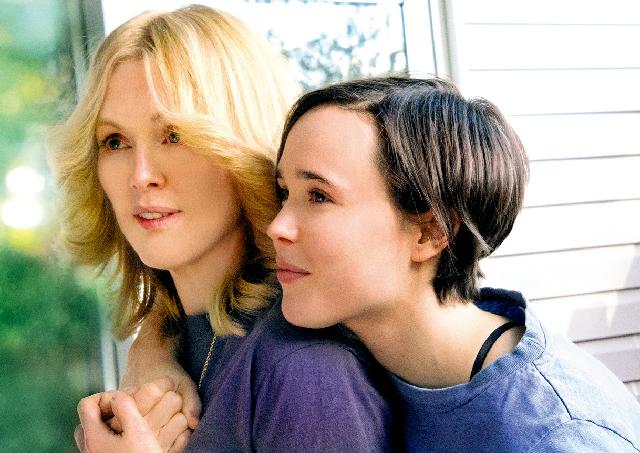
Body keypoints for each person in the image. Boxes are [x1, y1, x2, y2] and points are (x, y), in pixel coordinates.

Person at [129, 76, 640, 452]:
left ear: (430, 232)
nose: (277, 226)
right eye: (284, 193)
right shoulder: (354, 326)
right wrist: (152, 357)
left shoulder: (555, 437)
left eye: (319, 196)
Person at [51, 5, 400, 452]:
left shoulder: (302, 372)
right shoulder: (179, 340)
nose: (141, 176)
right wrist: (152, 344)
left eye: (174, 135)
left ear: (243, 148)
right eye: (115, 141)